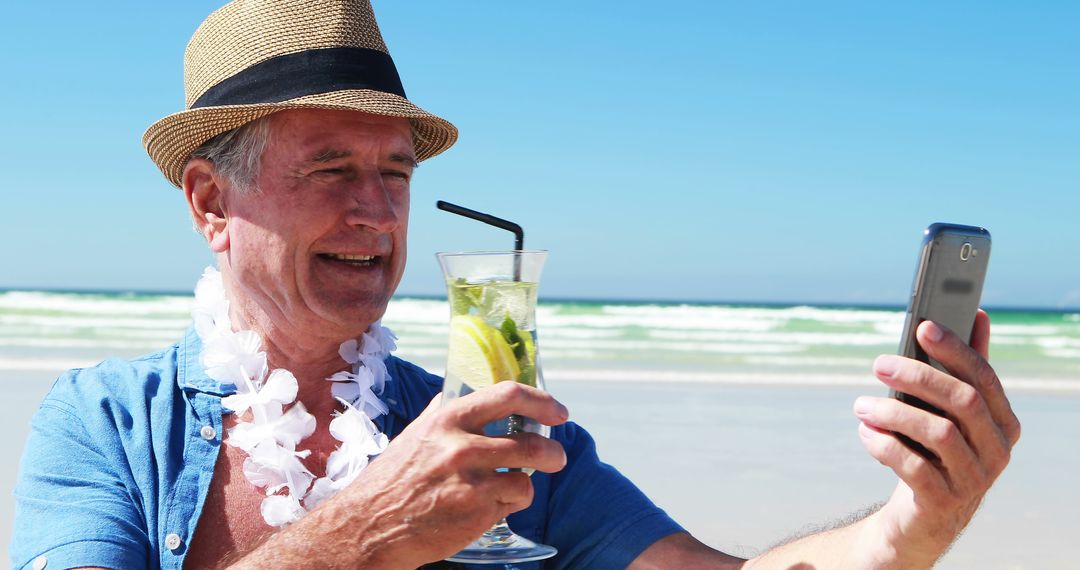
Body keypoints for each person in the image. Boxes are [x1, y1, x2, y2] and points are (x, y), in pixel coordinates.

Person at [11, 0, 1021, 568]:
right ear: (209, 202)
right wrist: (366, 530)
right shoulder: (102, 425)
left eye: (397, 173)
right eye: (329, 168)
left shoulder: (492, 438)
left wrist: (912, 525)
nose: (376, 209)